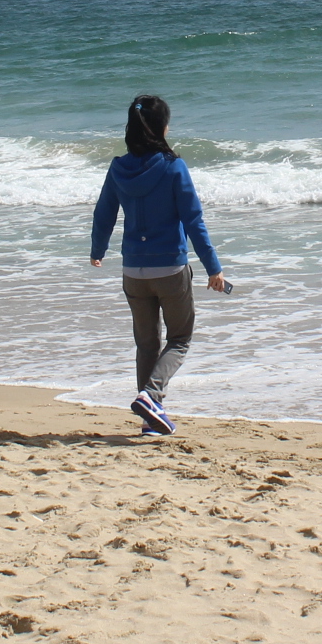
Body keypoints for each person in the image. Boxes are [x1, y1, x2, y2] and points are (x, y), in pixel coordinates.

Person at [89, 94, 226, 435]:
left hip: (133, 271)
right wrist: (213, 267)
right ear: (162, 128)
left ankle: (151, 416)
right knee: (179, 338)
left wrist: (98, 249)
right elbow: (193, 220)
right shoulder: (173, 166)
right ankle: (151, 397)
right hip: (170, 269)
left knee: (147, 344)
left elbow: (104, 212)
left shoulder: (118, 167)